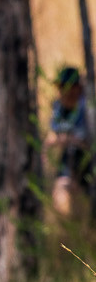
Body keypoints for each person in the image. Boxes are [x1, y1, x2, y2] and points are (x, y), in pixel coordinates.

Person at [45, 65, 92, 219]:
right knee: (60, 193)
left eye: (70, 87)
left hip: (89, 159)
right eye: (62, 87)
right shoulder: (58, 107)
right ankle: (67, 231)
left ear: (78, 88)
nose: (65, 92)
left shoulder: (88, 108)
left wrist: (66, 139)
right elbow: (52, 135)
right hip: (70, 156)